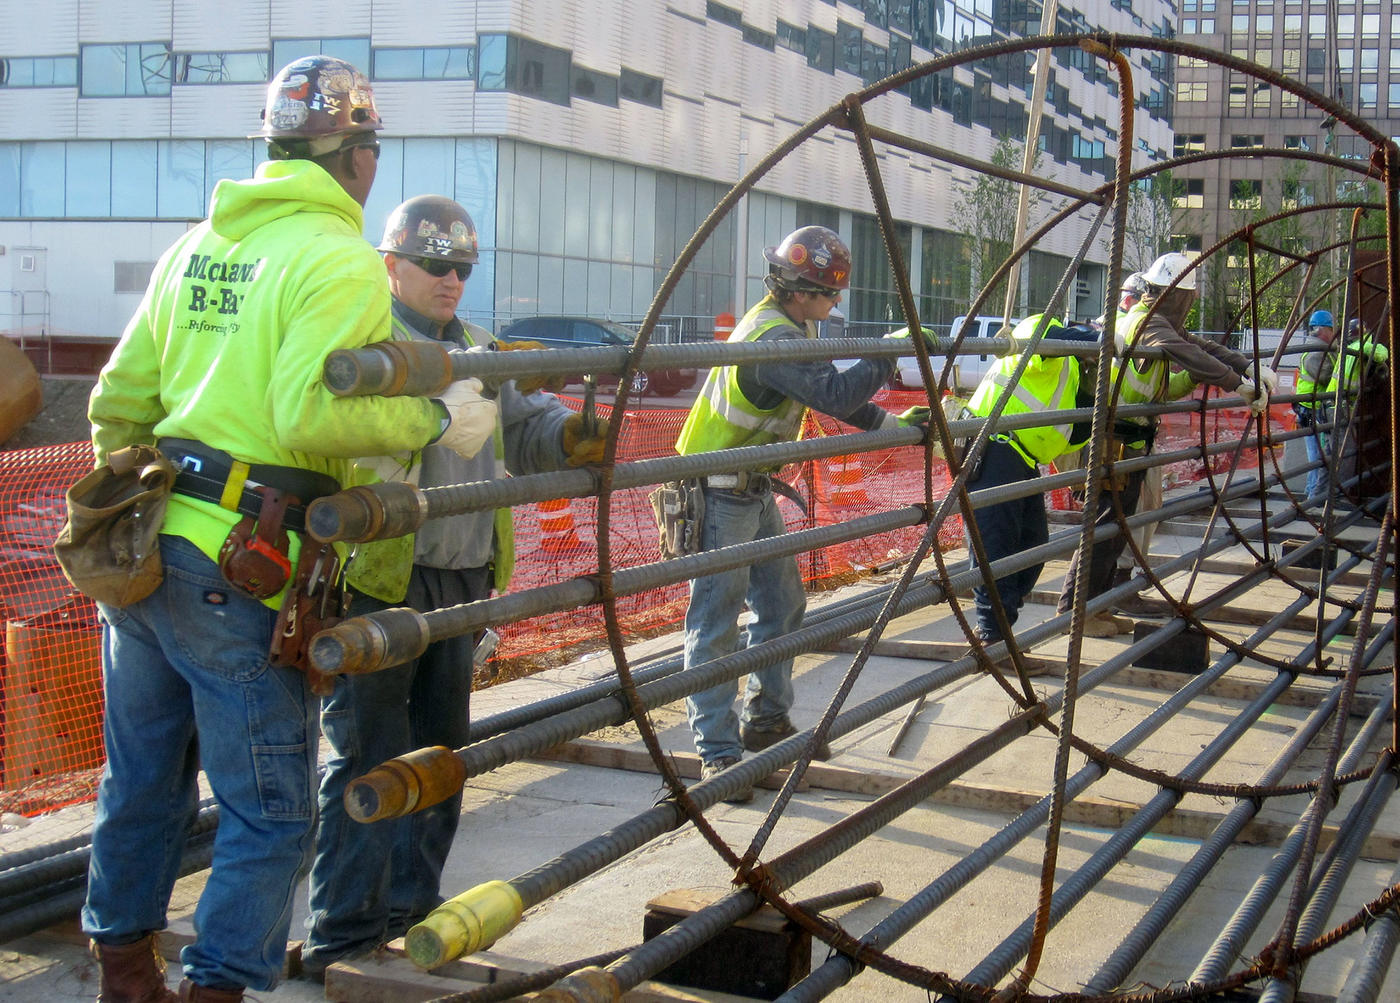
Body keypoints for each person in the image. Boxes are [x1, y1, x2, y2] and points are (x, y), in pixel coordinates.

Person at [79, 57, 500, 1003]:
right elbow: (316, 413)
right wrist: (433, 417)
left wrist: (168, 495)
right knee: (268, 813)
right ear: (358, 158)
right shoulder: (332, 255)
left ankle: (123, 972)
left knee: (142, 781)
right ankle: (217, 988)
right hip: (246, 563)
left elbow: (118, 403)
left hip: (150, 562)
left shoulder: (198, 247)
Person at [300, 196, 604, 977]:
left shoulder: (477, 347)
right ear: (391, 264)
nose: (450, 280)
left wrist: (570, 432)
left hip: (462, 577)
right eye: (434, 264)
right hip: (380, 579)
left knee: (441, 754)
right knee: (366, 757)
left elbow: (528, 426)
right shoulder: (367, 348)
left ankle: (413, 909)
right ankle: (345, 927)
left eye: (461, 267)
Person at [674, 225, 924, 802]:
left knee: (782, 603)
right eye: (830, 294)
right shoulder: (770, 339)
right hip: (716, 492)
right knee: (714, 624)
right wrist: (889, 352)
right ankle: (718, 754)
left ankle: (765, 720)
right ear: (802, 290)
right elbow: (834, 395)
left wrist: (900, 430)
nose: (835, 305)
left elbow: (832, 397)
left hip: (751, 487)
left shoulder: (786, 328)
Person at [1056, 251, 1272, 638]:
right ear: (1177, 296)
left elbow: (1201, 348)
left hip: (1129, 438)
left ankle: (1096, 607)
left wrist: (1246, 366)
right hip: (1112, 438)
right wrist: (1235, 383)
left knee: (1117, 527)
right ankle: (1075, 611)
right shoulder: (1146, 322)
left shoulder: (1158, 322)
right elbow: (1189, 353)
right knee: (1105, 526)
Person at [963, 313, 1089, 674]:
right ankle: (993, 639)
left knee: (1033, 545)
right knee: (996, 548)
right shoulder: (1035, 336)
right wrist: (1095, 337)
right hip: (994, 448)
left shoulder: (1069, 369)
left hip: (1021, 458)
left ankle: (997, 630)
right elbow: (1052, 335)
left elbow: (1074, 429)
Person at [1326, 316, 1389, 504]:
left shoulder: (1351, 348)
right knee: (1345, 453)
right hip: (1338, 406)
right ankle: (1338, 496)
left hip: (1334, 404)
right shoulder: (1358, 348)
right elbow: (1379, 354)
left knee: (1336, 452)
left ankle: (1332, 495)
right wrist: (1371, 346)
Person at [1294, 309, 1338, 500]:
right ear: (1322, 330)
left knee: (1316, 451)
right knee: (1316, 452)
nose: (1333, 333)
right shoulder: (1315, 352)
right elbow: (1327, 376)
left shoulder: (1318, 349)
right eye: (1330, 329)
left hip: (1310, 406)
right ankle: (1313, 494)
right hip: (1310, 408)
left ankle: (1311, 490)